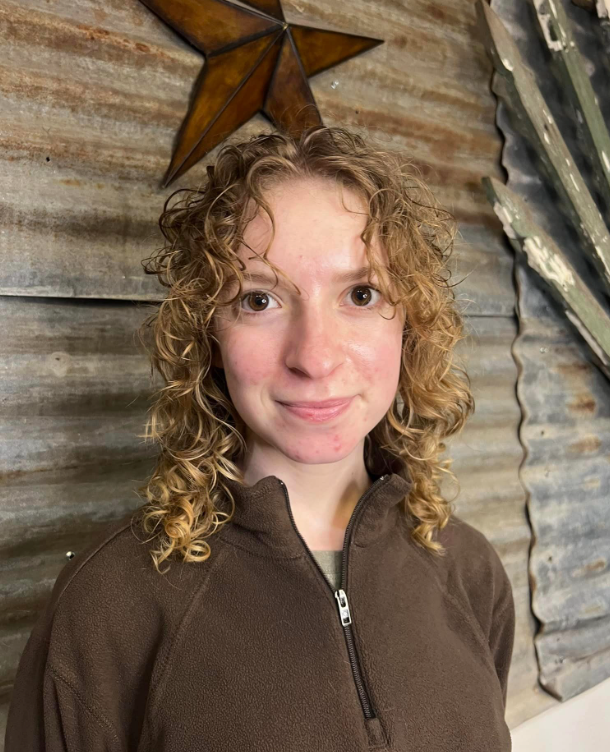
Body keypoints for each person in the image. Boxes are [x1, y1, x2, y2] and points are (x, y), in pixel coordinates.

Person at [5, 126, 515, 751]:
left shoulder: (470, 571)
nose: (315, 357)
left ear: (409, 325)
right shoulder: (109, 607)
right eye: (259, 299)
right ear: (208, 334)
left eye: (361, 294)